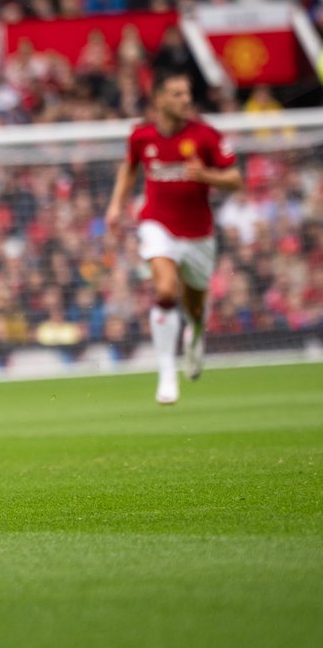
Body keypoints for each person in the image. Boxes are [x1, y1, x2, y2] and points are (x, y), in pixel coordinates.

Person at [105, 70, 242, 404]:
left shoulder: (206, 136)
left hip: (198, 233)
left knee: (195, 306)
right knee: (165, 289)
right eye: (178, 94)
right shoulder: (141, 136)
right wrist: (115, 206)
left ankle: (195, 335)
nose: (186, 100)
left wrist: (206, 175)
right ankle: (166, 371)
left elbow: (235, 179)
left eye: (187, 93)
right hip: (156, 224)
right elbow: (130, 167)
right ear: (159, 99)